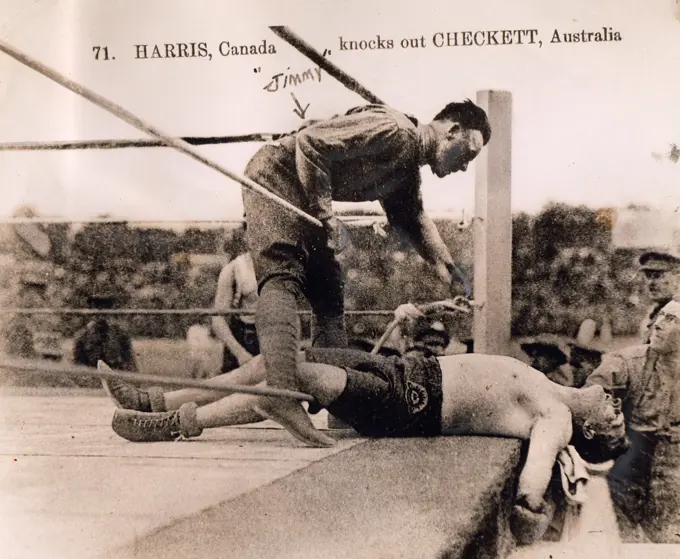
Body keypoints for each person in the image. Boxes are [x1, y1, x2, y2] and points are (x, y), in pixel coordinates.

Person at [103, 347, 628, 544]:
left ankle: (174, 422)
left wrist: (531, 507)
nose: (615, 403)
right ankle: (152, 398)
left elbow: (533, 482)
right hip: (406, 369)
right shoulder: (550, 385)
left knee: (295, 375)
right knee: (277, 359)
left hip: (410, 403)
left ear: (595, 431)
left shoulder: (556, 418)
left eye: (616, 417)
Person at [240, 100, 491, 444]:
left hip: (305, 190)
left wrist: (448, 270)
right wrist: (327, 217)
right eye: (468, 154)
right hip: (278, 174)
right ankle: (281, 394)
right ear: (452, 130)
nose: (464, 167)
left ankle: (334, 402)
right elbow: (310, 143)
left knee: (328, 298)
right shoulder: (396, 131)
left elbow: (413, 221)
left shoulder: (406, 168)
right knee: (282, 278)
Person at [585, 299, 680, 543]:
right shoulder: (627, 362)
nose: (658, 324)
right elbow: (590, 396)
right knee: (621, 539)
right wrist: (607, 418)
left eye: (671, 320)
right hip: (628, 465)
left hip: (673, 473)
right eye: (660, 316)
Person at [211, 247, 260, 373]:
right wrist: (240, 353)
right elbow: (217, 318)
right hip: (245, 339)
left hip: (274, 338)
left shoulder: (283, 265)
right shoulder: (235, 268)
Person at [638, 250, 680, 343]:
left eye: (657, 276)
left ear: (677, 278)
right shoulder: (656, 311)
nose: (650, 283)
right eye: (648, 276)